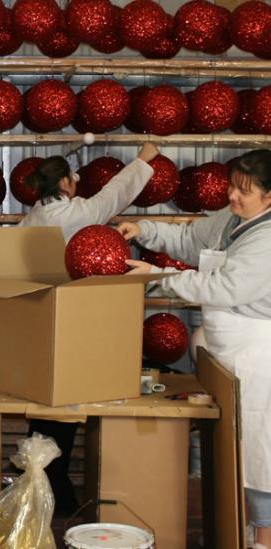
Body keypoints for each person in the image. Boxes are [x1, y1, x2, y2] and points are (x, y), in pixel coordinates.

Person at [117, 149, 271, 549]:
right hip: (229, 351)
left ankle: (264, 538)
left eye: (244, 191)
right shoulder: (233, 219)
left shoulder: (267, 240)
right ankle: (242, 531)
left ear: (270, 198)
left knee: (260, 452)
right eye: (232, 187)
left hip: (259, 355)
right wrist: (144, 229)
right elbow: (188, 238)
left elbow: (223, 288)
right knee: (234, 450)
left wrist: (161, 277)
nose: (232, 196)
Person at [19, 142, 160, 515]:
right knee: (63, 406)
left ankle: (44, 481)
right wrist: (143, 160)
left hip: (34, 322)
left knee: (43, 404)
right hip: (70, 320)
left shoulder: (30, 219)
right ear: (65, 182)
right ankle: (55, 489)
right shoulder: (77, 212)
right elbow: (114, 194)